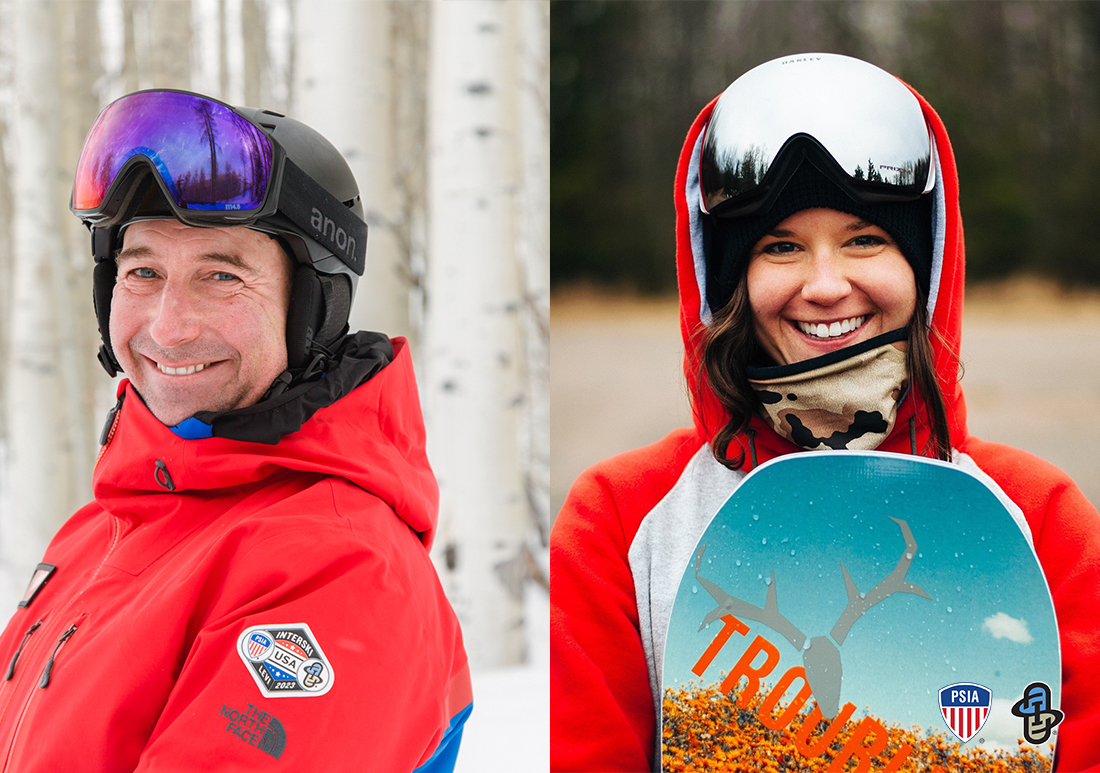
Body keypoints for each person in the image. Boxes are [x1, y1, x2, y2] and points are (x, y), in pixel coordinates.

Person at [551, 53, 1100, 772]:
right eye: (781, 247)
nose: (825, 284)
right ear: (730, 284)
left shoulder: (1039, 518)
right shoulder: (622, 521)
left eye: (865, 240)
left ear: (926, 267)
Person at [0, 90, 472, 770]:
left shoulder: (340, 567)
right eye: (143, 271)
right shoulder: (99, 529)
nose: (168, 326)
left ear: (311, 308)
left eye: (221, 275)